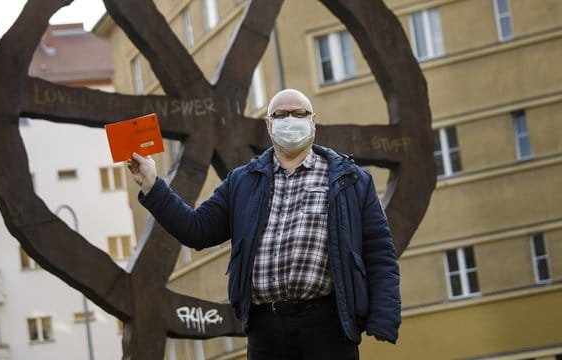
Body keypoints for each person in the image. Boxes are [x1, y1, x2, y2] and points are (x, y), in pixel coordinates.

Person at [127, 89, 401, 359]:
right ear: (269, 125)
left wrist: (383, 317)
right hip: (266, 331)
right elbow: (197, 230)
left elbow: (379, 253)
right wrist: (153, 185)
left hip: (328, 327)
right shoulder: (242, 181)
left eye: (299, 113)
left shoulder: (351, 180)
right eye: (280, 115)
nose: (290, 120)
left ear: (313, 121)